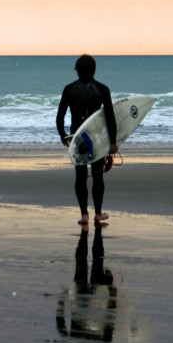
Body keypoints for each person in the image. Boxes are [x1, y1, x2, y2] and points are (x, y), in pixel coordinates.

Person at [56, 54, 118, 225]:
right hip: (97, 138)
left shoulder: (69, 89)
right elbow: (110, 118)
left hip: (78, 138)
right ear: (94, 70)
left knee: (80, 176)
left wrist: (63, 135)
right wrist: (112, 142)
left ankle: (84, 215)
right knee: (98, 176)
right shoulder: (102, 89)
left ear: (77, 71)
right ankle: (98, 213)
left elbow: (60, 116)